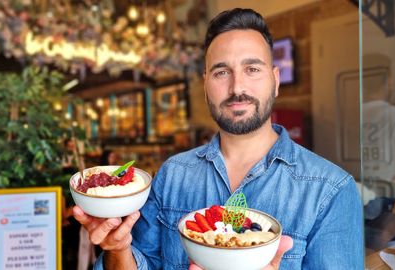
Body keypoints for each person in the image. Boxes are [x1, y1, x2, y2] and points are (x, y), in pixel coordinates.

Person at [73, 8, 364, 269]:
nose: (237, 87)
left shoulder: (331, 190)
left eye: (252, 69)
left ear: (275, 80)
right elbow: (140, 263)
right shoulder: (173, 174)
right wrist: (119, 249)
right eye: (222, 72)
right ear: (205, 85)